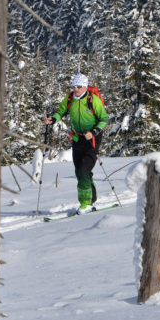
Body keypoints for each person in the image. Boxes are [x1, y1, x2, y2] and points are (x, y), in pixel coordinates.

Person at [44, 73, 109, 215]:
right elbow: (61, 111)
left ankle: (85, 204)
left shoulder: (93, 100)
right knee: (79, 172)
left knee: (83, 170)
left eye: (79, 86)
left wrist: (93, 131)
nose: (76, 89)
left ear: (85, 86)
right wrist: (53, 119)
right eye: (74, 86)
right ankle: (92, 198)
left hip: (92, 139)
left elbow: (104, 119)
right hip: (77, 139)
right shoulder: (70, 99)